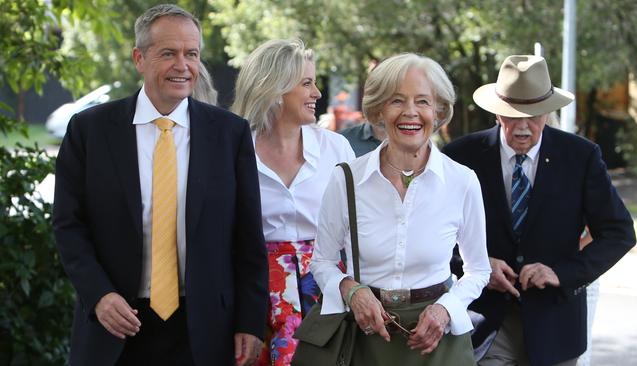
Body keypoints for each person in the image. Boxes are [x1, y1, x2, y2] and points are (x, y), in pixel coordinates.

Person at [53, 4, 268, 365]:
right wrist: (100, 295)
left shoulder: (229, 134)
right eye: (168, 53)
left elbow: (248, 236)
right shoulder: (90, 130)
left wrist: (250, 320)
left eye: (192, 54)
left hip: (204, 329)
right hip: (115, 324)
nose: (182, 65)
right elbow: (68, 225)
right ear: (139, 58)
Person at [442, 55, 636, 366]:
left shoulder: (581, 157)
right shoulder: (459, 156)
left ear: (548, 112)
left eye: (533, 115)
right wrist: (475, 264)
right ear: (496, 113)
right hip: (485, 323)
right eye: (512, 115)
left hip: (555, 325)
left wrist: (562, 273)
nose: (522, 126)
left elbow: (619, 233)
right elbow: (432, 232)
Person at [310, 53, 491, 365]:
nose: (410, 113)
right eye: (397, 101)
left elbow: (478, 270)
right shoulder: (346, 178)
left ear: (439, 110)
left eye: (422, 101)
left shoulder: (462, 181)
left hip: (438, 339)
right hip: (365, 337)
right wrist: (351, 290)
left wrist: (446, 308)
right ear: (379, 110)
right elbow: (322, 262)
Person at [231, 39, 355, 365]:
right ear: (274, 88)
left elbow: (358, 230)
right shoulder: (233, 148)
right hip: (253, 292)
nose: (317, 93)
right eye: (306, 83)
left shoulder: (336, 148)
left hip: (326, 289)